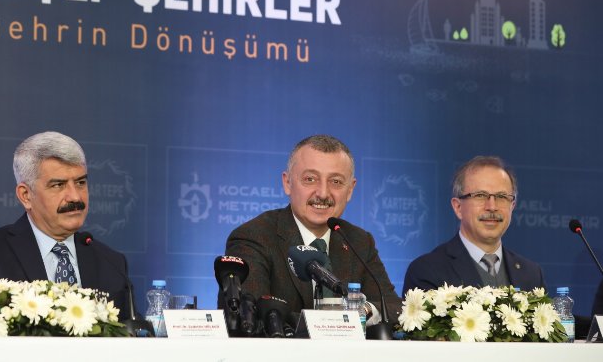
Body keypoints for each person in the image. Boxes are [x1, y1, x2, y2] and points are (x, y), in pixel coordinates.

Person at [0, 131, 134, 319]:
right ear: (26, 196)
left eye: (80, 182)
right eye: (58, 185)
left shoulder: (112, 263)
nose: (75, 197)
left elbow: (132, 330)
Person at [223, 134, 401, 324]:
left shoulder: (359, 241)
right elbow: (249, 316)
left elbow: (394, 307)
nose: (323, 193)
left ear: (350, 190)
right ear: (287, 183)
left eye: (336, 181)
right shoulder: (254, 237)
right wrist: (335, 322)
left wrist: (364, 310)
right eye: (310, 179)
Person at [402, 156, 545, 294]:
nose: (492, 207)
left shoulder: (531, 274)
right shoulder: (427, 271)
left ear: (512, 206)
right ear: (458, 207)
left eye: (501, 197)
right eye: (480, 196)